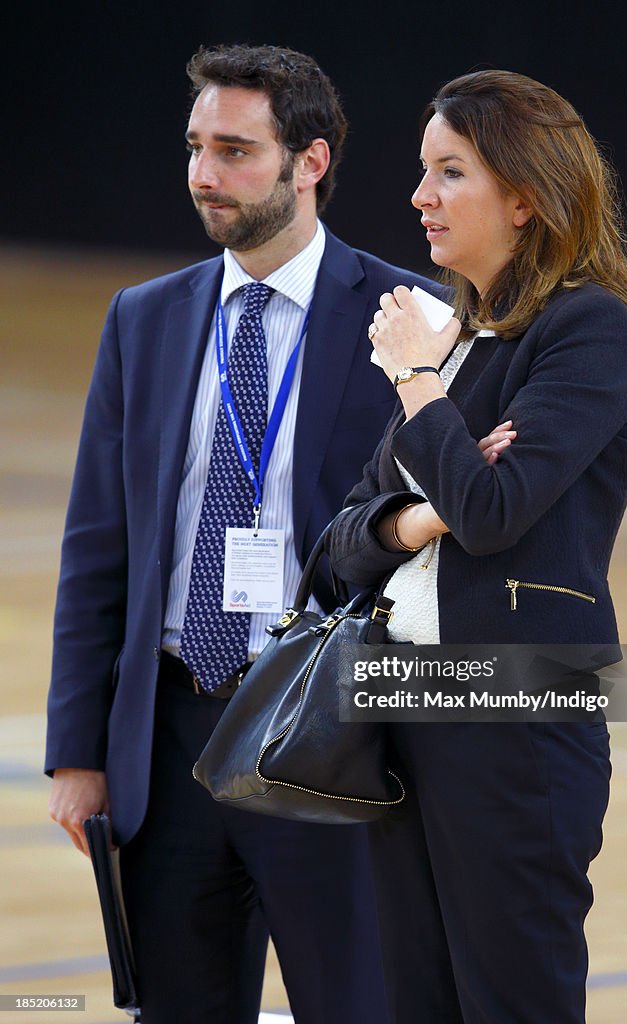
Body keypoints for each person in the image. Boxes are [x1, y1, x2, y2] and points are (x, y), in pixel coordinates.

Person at [45, 43, 442, 1024]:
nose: (203, 175)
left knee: (357, 1005)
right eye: (194, 148)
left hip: (328, 738)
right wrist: (77, 754)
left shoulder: (404, 315)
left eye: (234, 150)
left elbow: (444, 541)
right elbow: (98, 546)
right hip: (174, 733)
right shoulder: (143, 318)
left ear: (309, 161)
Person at [327, 69, 627, 1023]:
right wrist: (420, 514)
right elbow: (340, 544)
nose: (420, 196)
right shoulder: (460, 340)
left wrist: (420, 387)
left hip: (511, 713)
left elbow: (496, 511)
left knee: (512, 998)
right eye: (423, 171)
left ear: (523, 198)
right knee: (417, 998)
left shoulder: (583, 330)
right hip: (401, 706)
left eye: (449, 172)